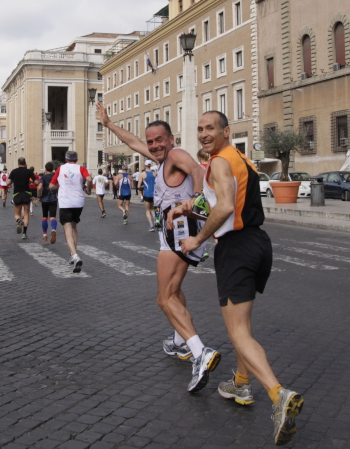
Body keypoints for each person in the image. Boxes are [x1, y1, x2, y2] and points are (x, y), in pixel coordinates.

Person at [167, 111, 304, 446]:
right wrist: (188, 208)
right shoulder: (240, 159)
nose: (204, 134)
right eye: (200, 129)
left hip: (237, 248)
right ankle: (241, 382)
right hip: (258, 243)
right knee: (242, 323)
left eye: (210, 128)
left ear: (226, 131)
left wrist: (196, 240)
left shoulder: (218, 162)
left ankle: (278, 395)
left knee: (237, 332)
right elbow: (225, 203)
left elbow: (226, 207)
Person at [97, 101, 219, 393]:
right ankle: (179, 341)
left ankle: (200, 352)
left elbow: (197, 170)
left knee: (164, 299)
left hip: (179, 228)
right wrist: (109, 124)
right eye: (151, 142)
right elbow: (133, 142)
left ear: (171, 139)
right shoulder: (161, 158)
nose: (153, 146)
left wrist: (196, 198)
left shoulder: (176, 154)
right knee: (174, 292)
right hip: (174, 228)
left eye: (159, 140)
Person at [49, 151, 92, 273]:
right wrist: (88, 189)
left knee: (67, 229)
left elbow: (51, 186)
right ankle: (73, 253)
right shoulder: (81, 168)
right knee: (74, 226)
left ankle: (75, 256)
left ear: (66, 159)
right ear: (76, 159)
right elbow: (89, 179)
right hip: (78, 201)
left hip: (65, 202)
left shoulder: (60, 169)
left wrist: (60, 185)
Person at [6, 158, 37, 239]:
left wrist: (13, 181)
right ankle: (24, 233)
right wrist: (31, 182)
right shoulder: (29, 171)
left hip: (17, 194)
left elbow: (8, 183)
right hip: (27, 194)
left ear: (18, 163)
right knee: (26, 214)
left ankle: (19, 220)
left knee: (17, 214)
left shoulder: (14, 171)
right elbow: (36, 182)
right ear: (25, 163)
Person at [37, 162, 58, 243]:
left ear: (45, 169)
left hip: (45, 199)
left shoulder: (43, 177)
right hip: (53, 199)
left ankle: (44, 235)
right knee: (52, 217)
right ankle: (53, 230)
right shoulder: (55, 177)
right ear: (52, 169)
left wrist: (39, 196)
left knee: (44, 217)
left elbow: (39, 188)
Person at [138, 160, 157, 232]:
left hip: (147, 194)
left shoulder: (142, 174)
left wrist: (142, 186)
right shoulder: (154, 173)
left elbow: (139, 186)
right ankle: (156, 221)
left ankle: (151, 225)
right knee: (152, 209)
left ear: (145, 165)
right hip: (154, 194)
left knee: (148, 210)